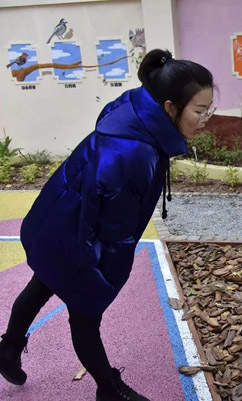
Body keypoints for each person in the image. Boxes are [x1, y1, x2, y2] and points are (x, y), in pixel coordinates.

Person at [0, 49, 215, 401]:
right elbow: (116, 233)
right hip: (77, 232)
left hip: (61, 216)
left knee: (42, 284)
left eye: (208, 109)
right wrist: (102, 280)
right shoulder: (135, 155)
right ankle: (108, 389)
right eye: (200, 110)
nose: (206, 119)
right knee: (85, 314)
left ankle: (8, 349)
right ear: (170, 108)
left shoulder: (137, 113)